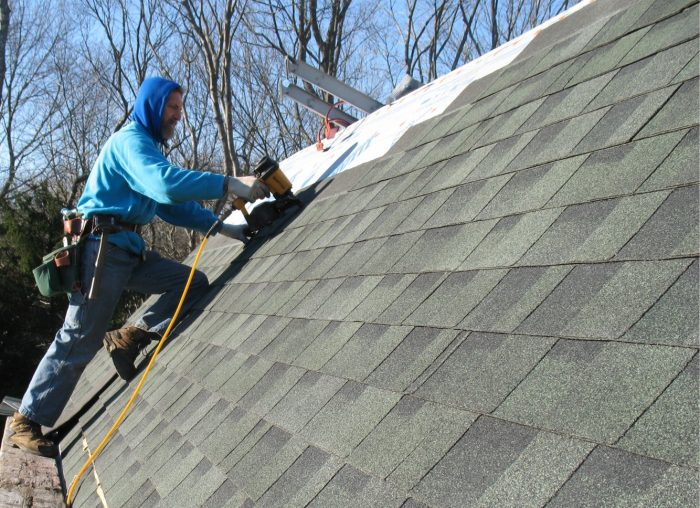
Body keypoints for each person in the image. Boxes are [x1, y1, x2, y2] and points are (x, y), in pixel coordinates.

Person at [7, 77, 269, 457]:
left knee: (191, 283)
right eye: (173, 107)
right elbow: (164, 186)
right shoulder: (131, 142)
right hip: (102, 249)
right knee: (79, 334)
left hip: (127, 249)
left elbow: (171, 207)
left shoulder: (147, 148)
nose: (179, 115)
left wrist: (227, 228)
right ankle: (26, 420)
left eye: (181, 107)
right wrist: (230, 183)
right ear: (153, 105)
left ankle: (131, 335)